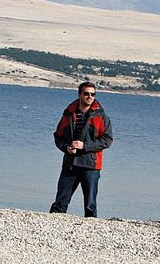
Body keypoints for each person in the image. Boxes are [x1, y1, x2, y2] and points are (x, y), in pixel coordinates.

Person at [48, 81, 113, 217]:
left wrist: (85, 146)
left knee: (90, 205)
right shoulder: (68, 114)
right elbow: (58, 136)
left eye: (93, 94)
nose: (90, 97)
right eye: (86, 94)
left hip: (91, 166)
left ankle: (91, 232)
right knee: (60, 203)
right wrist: (66, 148)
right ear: (79, 95)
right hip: (70, 164)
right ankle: (51, 228)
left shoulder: (101, 116)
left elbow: (107, 140)